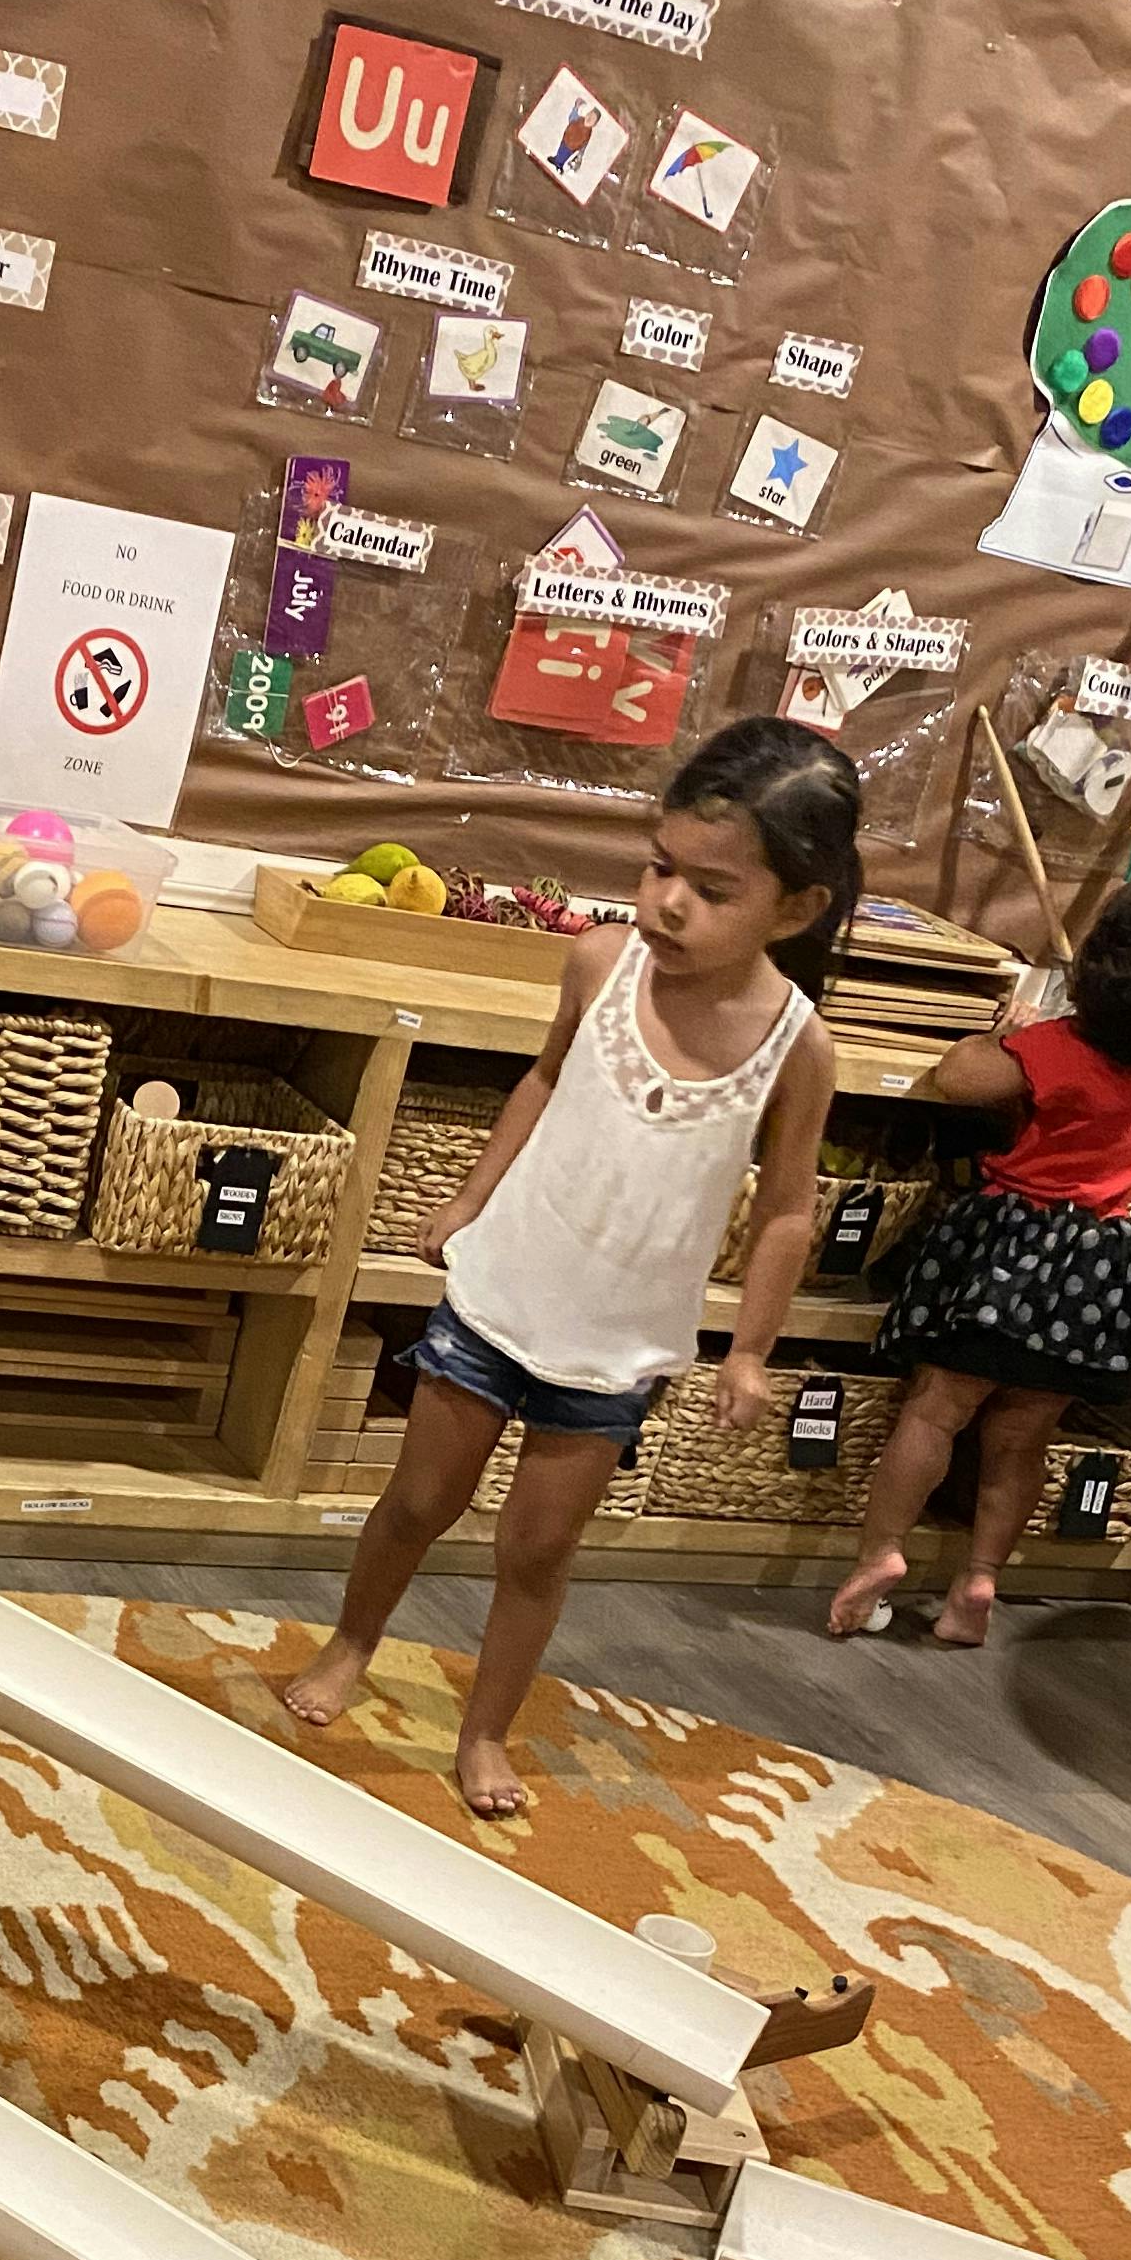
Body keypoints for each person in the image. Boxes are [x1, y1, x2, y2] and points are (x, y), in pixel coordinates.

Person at [283, 718, 860, 1816]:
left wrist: (751, 1349)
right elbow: (545, 1080)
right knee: (416, 1501)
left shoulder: (799, 1046)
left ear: (795, 910)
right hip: (499, 1297)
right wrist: (468, 1199)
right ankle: (351, 1642)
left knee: (537, 1552)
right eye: (659, 867)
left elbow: (790, 1208)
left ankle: (486, 1730)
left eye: (713, 890)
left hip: (614, 1348)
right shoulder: (600, 961)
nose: (669, 903)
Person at [830, 788, 1131, 1646]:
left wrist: (1008, 1029)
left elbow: (957, 1079)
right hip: (1097, 1275)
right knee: (1022, 1440)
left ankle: (881, 1553)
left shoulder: (1055, 1048)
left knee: (935, 1412)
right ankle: (979, 1579)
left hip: (1010, 1258)